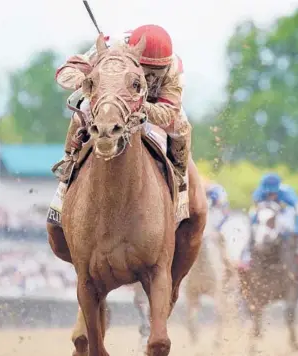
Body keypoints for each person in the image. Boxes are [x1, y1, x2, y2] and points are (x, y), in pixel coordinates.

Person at [47, 24, 192, 227]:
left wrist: (141, 105)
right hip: (113, 97)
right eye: (145, 70)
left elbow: (167, 113)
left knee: (182, 128)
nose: (150, 78)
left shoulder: (175, 70)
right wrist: (88, 80)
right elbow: (64, 72)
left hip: (154, 103)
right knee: (85, 109)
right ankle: (68, 165)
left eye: (157, 73)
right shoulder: (111, 47)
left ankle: (179, 177)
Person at [239, 173, 298, 292]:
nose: (270, 194)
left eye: (273, 192)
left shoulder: (287, 193)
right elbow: (254, 214)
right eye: (268, 192)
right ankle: (246, 256)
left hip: (284, 217)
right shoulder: (258, 193)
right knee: (251, 229)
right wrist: (253, 226)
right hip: (264, 218)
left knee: (289, 232)